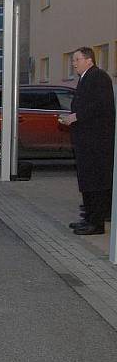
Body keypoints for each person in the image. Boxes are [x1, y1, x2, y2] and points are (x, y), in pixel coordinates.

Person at [61, 47, 116, 236]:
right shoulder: (85, 78)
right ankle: (89, 217)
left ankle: (97, 222)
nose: (73, 63)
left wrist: (76, 117)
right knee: (87, 179)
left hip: (97, 142)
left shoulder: (99, 77)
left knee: (96, 180)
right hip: (86, 139)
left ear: (89, 60)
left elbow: (100, 106)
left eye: (76, 59)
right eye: (73, 59)